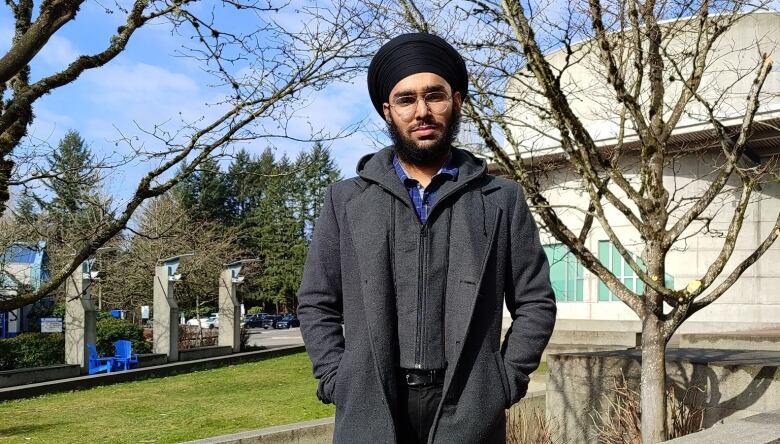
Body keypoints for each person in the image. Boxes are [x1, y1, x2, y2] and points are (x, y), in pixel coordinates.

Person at [298, 32, 556, 444]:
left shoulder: (501, 199)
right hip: (372, 405)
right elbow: (316, 301)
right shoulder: (346, 200)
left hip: (470, 405)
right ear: (388, 111)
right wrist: (335, 378)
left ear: (457, 101)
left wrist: (506, 380)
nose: (422, 111)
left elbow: (535, 300)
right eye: (406, 100)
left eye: (434, 96)